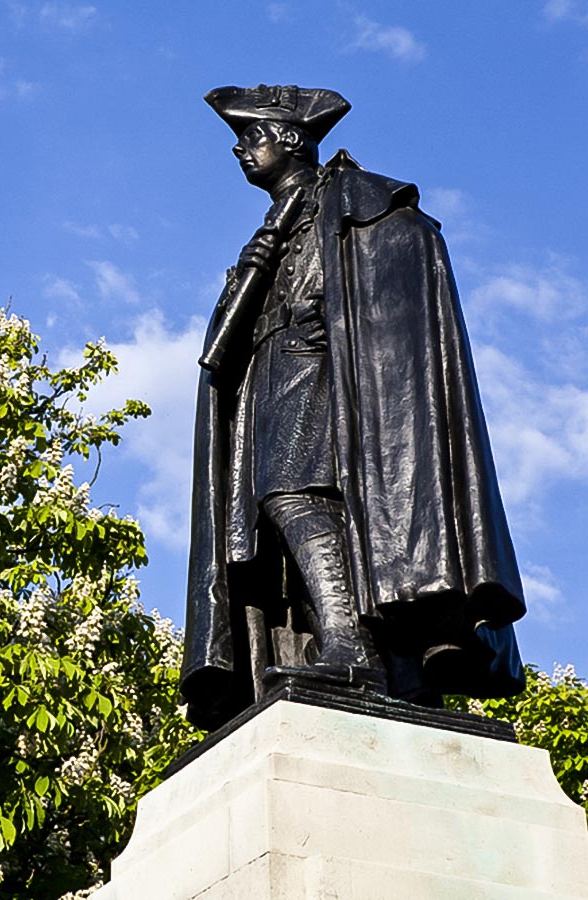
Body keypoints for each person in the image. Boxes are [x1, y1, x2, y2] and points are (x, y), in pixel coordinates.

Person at [179, 85, 526, 730]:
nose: (239, 150)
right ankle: (378, 659)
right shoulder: (273, 229)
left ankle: (350, 645)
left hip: (323, 370)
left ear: (289, 141)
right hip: (270, 373)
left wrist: (325, 325)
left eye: (250, 137)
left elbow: (398, 266)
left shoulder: (354, 203)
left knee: (293, 496)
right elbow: (220, 353)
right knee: (279, 511)